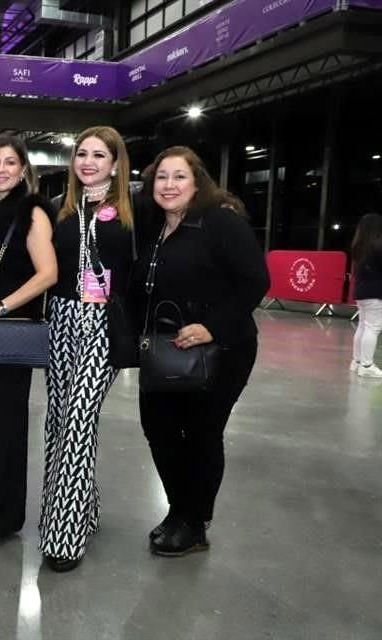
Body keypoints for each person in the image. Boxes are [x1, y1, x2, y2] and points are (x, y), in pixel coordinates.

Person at [131, 145, 269, 556]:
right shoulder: (154, 226)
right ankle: (179, 510)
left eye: (179, 177)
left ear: (197, 182)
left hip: (221, 351)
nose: (169, 185)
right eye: (161, 177)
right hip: (164, 350)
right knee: (159, 430)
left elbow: (254, 281)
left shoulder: (220, 223)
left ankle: (195, 522)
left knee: (202, 435)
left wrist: (212, 327)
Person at [40, 126, 134, 573]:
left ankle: (64, 538)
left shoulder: (137, 210)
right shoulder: (62, 209)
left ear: (115, 163)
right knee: (61, 422)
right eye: (82, 153)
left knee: (80, 419)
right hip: (60, 319)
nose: (89, 161)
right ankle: (84, 509)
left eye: (100, 155)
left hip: (104, 326)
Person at [0, 135, 57, 541]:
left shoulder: (31, 212)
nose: (2, 169)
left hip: (7, 334)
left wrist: (0, 305)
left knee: (2, 429)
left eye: (10, 163)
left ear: (23, 170)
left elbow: (48, 273)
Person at [350, 213, 382, 378]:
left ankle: (356, 362)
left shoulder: (358, 246)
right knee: (373, 328)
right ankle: (367, 365)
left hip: (361, 292)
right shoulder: (378, 246)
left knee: (363, 326)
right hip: (375, 293)